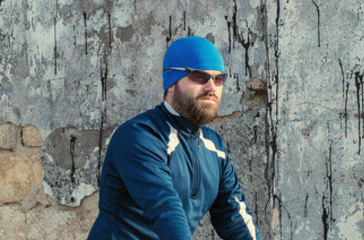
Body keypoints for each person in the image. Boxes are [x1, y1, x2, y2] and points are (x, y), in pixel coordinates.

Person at [88, 36, 258, 240]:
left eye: (218, 79)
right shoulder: (140, 136)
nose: (211, 87)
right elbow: (165, 208)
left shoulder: (215, 147)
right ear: (171, 83)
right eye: (199, 76)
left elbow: (234, 217)